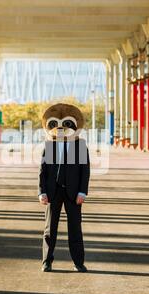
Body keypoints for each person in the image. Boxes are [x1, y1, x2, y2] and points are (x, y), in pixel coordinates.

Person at [38, 103, 90, 272]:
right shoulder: (49, 145)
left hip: (74, 193)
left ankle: (78, 262)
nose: (61, 128)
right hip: (53, 192)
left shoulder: (80, 145)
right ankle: (47, 261)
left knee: (75, 228)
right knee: (49, 229)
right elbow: (43, 172)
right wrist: (42, 192)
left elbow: (85, 171)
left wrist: (82, 192)